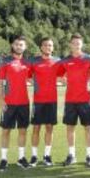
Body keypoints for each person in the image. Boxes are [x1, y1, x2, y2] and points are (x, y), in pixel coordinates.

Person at [58, 34, 90, 168]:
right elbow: (59, 74)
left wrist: (89, 80)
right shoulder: (66, 60)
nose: (76, 45)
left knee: (88, 128)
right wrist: (64, 80)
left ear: (82, 44)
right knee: (70, 128)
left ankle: (89, 156)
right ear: (70, 44)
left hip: (86, 99)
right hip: (70, 100)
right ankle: (71, 155)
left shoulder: (89, 59)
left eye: (78, 43)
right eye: (74, 43)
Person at [0, 35, 31, 171]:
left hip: (24, 103)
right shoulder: (5, 62)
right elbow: (0, 82)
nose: (19, 46)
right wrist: (1, 99)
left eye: (21, 44)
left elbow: (32, 79)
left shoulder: (27, 63)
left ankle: (21, 158)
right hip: (9, 103)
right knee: (6, 131)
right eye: (16, 44)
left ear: (25, 47)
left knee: (23, 131)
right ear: (13, 45)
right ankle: (4, 159)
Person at [29, 37, 61, 167]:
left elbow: (64, 75)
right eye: (45, 45)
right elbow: (27, 76)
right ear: (41, 47)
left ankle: (47, 156)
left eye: (50, 45)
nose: (48, 47)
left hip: (52, 100)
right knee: (36, 128)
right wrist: (37, 86)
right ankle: (34, 156)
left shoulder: (58, 61)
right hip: (38, 101)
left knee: (49, 128)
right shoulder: (34, 61)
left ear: (52, 48)